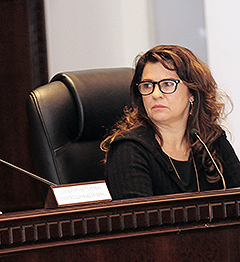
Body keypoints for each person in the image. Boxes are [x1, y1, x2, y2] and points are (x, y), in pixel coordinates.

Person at [101, 45, 240, 200]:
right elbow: (137, 221)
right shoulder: (128, 150)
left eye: (167, 84)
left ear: (192, 93)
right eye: (147, 85)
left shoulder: (211, 141)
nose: (156, 94)